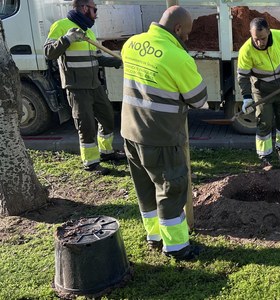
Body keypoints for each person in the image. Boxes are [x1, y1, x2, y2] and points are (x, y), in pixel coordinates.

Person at [120, 6, 208, 260]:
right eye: (187, 33)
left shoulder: (132, 44)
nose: (188, 39)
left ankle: (155, 236)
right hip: (160, 136)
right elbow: (198, 99)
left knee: (145, 189)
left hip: (130, 131)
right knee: (171, 189)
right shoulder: (177, 57)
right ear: (178, 29)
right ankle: (177, 247)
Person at [44, 0, 124, 176]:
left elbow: (97, 58)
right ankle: (91, 163)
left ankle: (106, 152)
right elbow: (49, 52)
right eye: (95, 9)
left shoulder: (88, 31)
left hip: (94, 85)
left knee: (108, 117)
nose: (97, 13)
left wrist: (119, 62)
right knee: (86, 125)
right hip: (77, 87)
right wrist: (67, 39)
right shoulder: (61, 26)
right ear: (84, 8)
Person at [237, 17, 280, 167]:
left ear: (269, 31)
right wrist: (247, 98)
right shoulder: (246, 50)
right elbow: (243, 76)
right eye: (256, 39)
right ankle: (264, 157)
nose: (260, 43)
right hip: (262, 92)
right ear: (251, 34)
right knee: (264, 122)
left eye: (262, 38)